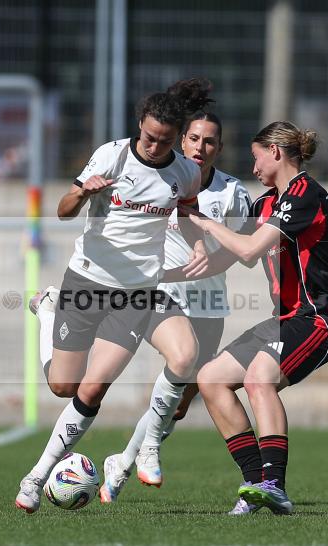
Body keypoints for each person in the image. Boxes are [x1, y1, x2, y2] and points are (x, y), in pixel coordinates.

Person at [15, 79, 215, 513]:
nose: (155, 147)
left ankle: (35, 477)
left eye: (165, 141)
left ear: (176, 138)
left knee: (91, 391)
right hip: (87, 282)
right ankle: (48, 310)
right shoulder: (112, 155)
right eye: (149, 137)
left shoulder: (185, 172)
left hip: (136, 296)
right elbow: (63, 211)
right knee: (62, 386)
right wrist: (81, 193)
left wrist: (199, 243)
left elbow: (189, 212)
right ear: (139, 125)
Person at [174, 121, 328, 515]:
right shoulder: (264, 203)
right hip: (287, 318)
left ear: (275, 152)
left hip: (323, 316)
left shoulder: (305, 194)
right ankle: (255, 485)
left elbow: (250, 249)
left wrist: (204, 221)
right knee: (211, 379)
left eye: (257, 158)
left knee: (259, 378)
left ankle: (274, 485)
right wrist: (161, 277)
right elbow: (232, 255)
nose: (253, 168)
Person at [99, 111, 253, 503]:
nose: (201, 147)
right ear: (182, 141)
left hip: (207, 305)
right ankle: (140, 455)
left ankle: (122, 461)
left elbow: (241, 250)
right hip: (160, 296)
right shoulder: (160, 180)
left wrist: (209, 263)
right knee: (180, 360)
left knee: (177, 407)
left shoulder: (232, 193)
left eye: (210, 141)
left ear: (219, 148)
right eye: (195, 138)